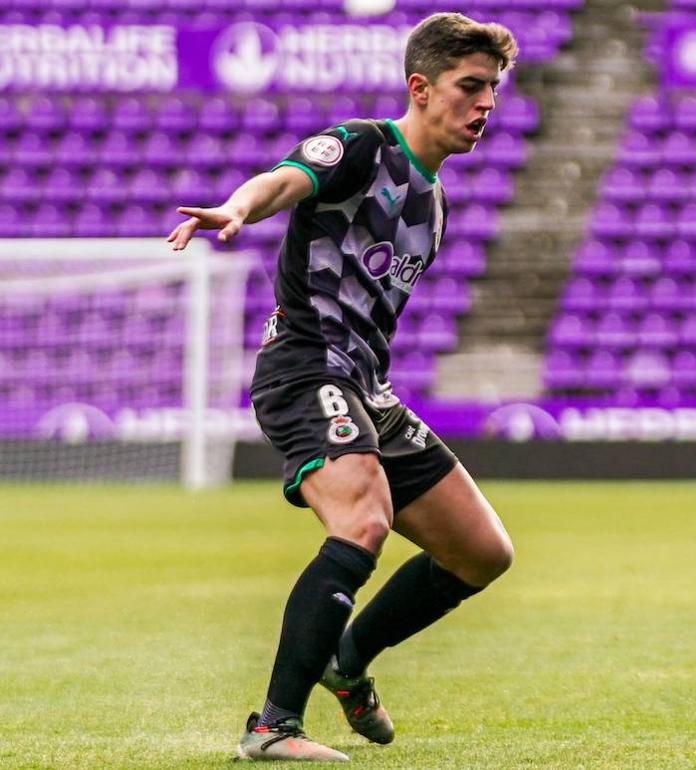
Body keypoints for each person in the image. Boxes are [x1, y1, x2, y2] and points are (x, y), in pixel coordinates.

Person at [167, 13, 517, 761]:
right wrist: (237, 206)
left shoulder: (436, 201)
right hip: (303, 367)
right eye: (471, 87)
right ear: (421, 89)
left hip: (367, 386)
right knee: (363, 519)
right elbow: (286, 180)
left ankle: (346, 659)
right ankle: (272, 728)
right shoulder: (363, 145)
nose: (486, 104)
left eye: (493, 89)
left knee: (482, 552)